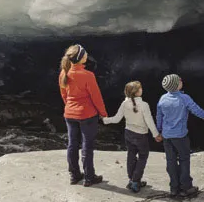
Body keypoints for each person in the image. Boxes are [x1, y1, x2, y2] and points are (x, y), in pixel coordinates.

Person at [58, 43, 107, 187]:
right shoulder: (88, 75)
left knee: (72, 144)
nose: (87, 55)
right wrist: (103, 114)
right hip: (87, 115)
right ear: (80, 58)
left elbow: (64, 95)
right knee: (87, 145)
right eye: (85, 53)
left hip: (70, 114)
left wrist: (70, 107)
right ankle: (89, 177)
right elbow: (96, 97)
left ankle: (74, 175)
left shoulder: (64, 73)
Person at [155, 73, 204, 198]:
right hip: (180, 136)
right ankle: (186, 187)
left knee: (171, 161)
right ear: (176, 85)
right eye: (179, 80)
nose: (181, 80)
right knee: (184, 159)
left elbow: (159, 116)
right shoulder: (184, 98)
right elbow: (197, 111)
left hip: (167, 136)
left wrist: (159, 130)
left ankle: (174, 188)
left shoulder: (162, 99)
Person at [115, 80, 160, 193]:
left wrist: (105, 120)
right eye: (140, 88)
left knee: (131, 154)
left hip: (128, 133)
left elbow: (116, 119)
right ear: (136, 92)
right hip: (140, 135)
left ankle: (132, 179)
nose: (142, 89)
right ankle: (135, 181)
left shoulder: (124, 103)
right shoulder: (144, 105)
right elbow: (149, 121)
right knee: (143, 156)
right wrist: (156, 134)